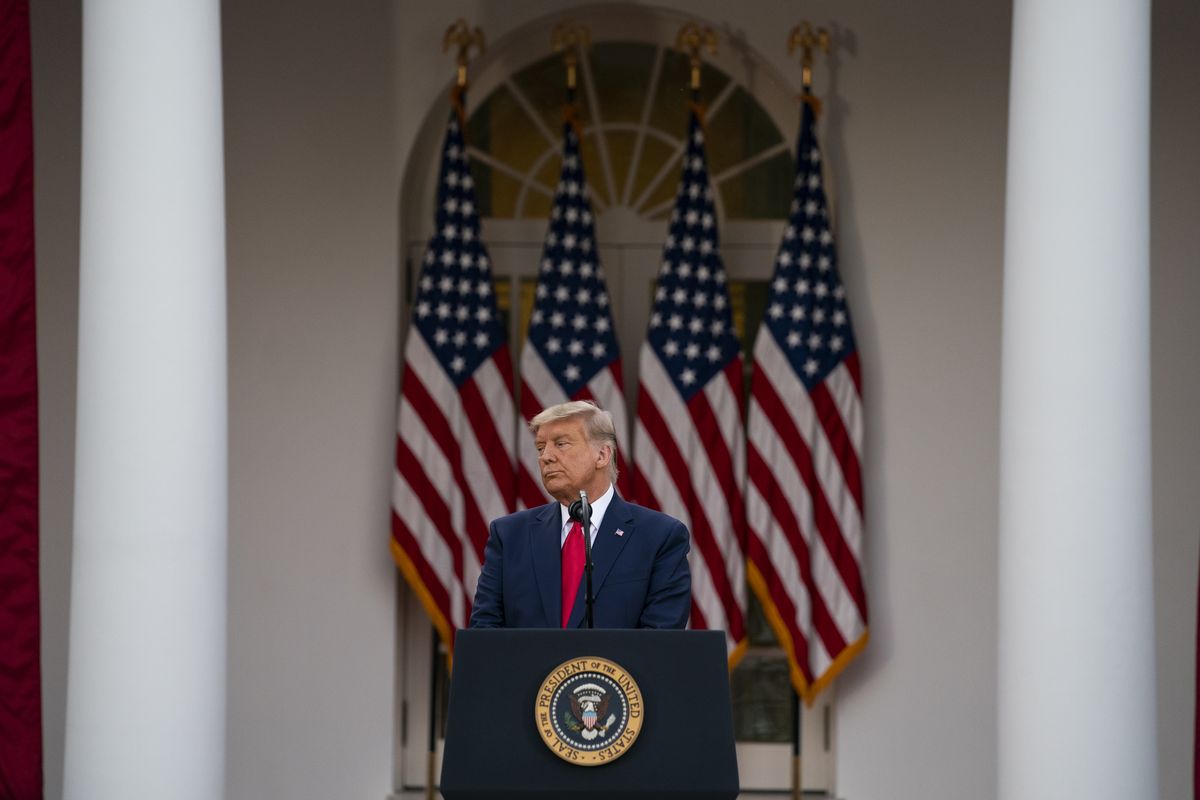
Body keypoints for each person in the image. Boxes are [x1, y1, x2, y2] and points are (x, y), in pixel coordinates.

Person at [469, 400, 691, 629]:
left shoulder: (659, 537)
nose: (546, 457)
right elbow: (485, 632)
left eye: (561, 444)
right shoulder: (509, 535)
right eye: (540, 447)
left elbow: (660, 641)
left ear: (602, 455)